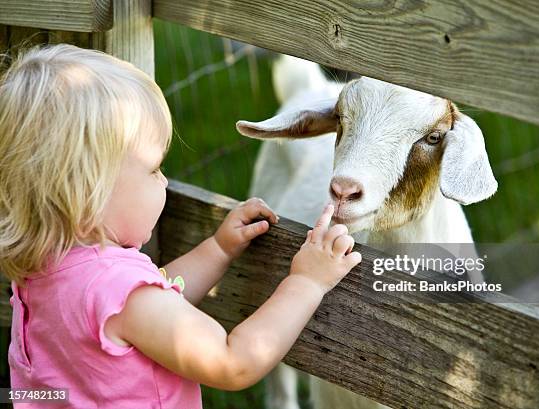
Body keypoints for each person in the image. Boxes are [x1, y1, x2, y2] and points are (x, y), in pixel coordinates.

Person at [0, 44, 362, 408]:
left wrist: (217, 250)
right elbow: (232, 361)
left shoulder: (46, 273)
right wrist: (306, 282)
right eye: (154, 168)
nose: (164, 181)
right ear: (89, 190)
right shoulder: (121, 296)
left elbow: (155, 306)